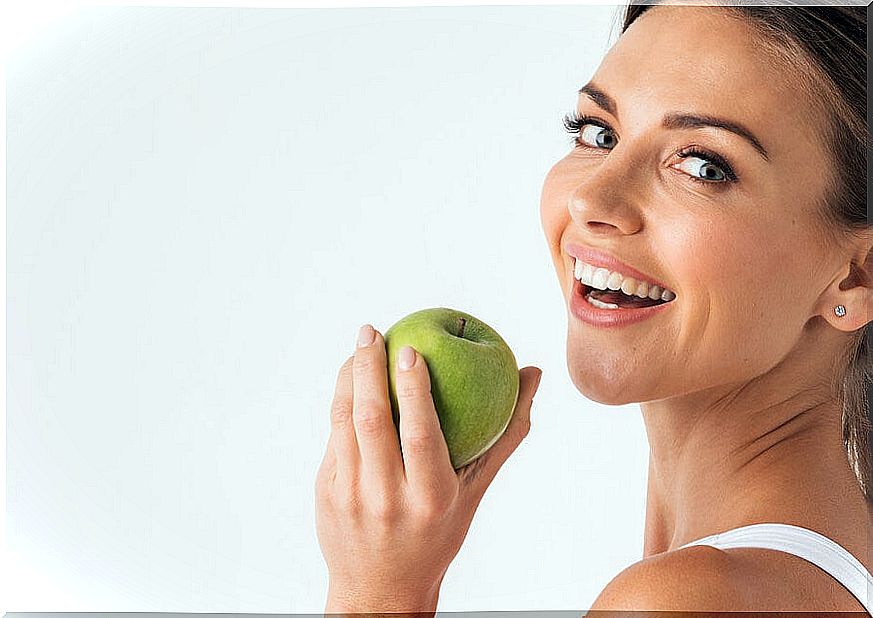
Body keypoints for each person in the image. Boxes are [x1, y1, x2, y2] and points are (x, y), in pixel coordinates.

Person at [314, 2, 872, 613]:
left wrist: (378, 592)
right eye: (598, 133)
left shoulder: (685, 600)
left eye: (703, 166)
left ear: (857, 275)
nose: (592, 197)